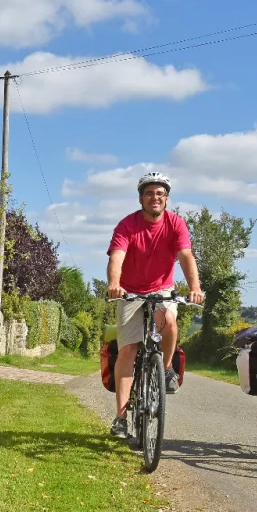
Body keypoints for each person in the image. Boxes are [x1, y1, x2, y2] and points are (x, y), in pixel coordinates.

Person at [106, 171, 204, 438]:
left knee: (169, 321)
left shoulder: (176, 224)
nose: (155, 197)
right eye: (149, 193)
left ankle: (168, 367)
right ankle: (120, 418)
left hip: (162, 289)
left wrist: (194, 288)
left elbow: (185, 256)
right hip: (129, 292)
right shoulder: (127, 225)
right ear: (141, 198)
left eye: (160, 193)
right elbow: (117, 256)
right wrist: (115, 283)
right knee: (128, 351)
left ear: (166, 198)